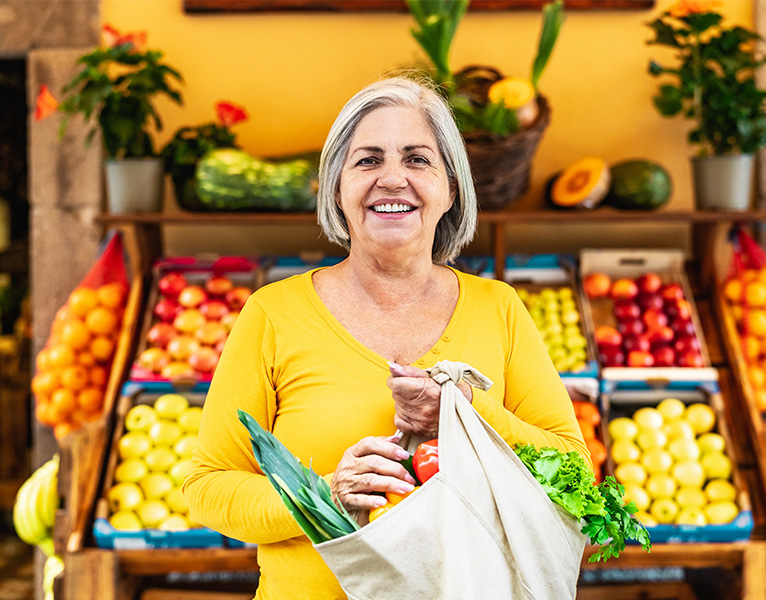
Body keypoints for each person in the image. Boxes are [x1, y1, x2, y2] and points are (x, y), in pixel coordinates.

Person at [183, 76, 590, 600]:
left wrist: (469, 411)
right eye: (368, 160)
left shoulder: (500, 310)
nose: (392, 178)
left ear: (451, 189)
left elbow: (575, 476)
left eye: (417, 159)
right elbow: (209, 489)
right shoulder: (272, 315)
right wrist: (323, 494)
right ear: (336, 187)